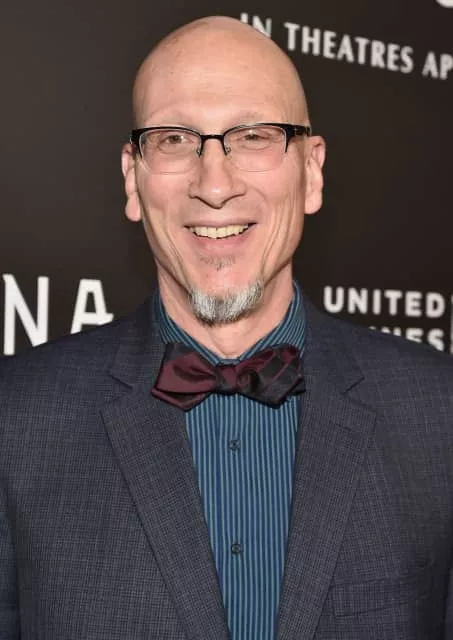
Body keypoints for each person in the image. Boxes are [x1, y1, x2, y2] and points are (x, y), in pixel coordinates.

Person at [1, 15, 453, 640]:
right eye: (174, 139)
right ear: (133, 178)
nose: (214, 185)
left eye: (254, 136)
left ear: (312, 171)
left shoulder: (439, 412)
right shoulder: (15, 417)